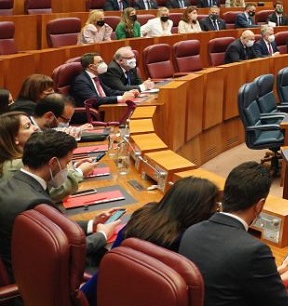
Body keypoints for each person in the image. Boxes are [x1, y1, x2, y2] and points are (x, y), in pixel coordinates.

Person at [179, 162, 288, 306]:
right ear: (259, 205)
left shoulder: (191, 232)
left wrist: (278, 275)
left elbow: (226, 283)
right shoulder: (253, 250)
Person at [82, 176, 220, 306]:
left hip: (99, 292)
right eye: (215, 208)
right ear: (201, 211)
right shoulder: (185, 240)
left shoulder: (143, 215)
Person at [0, 131, 118, 281]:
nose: (67, 169)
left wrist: (91, 224)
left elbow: (57, 227)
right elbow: (65, 250)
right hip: (31, 278)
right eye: (66, 163)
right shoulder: (36, 203)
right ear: (53, 163)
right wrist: (102, 236)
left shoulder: (12, 182)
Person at [0, 113, 92, 202]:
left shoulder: (20, 157)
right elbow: (55, 192)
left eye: (32, 123)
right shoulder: (16, 164)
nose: (36, 127)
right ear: (14, 138)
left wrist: (67, 165)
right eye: (28, 126)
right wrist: (79, 172)